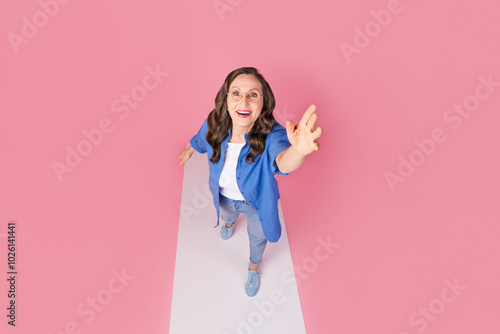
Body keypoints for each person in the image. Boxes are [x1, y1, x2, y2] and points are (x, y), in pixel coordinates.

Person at [177, 67, 322, 297]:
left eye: (253, 94)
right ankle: (228, 224)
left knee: (257, 238)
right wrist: (190, 151)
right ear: (225, 99)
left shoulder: (272, 134)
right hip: (223, 197)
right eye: (236, 93)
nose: (243, 101)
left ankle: (253, 267)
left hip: (256, 204)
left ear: (263, 102)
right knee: (227, 216)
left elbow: (283, 162)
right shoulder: (214, 123)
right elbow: (201, 138)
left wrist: (299, 151)